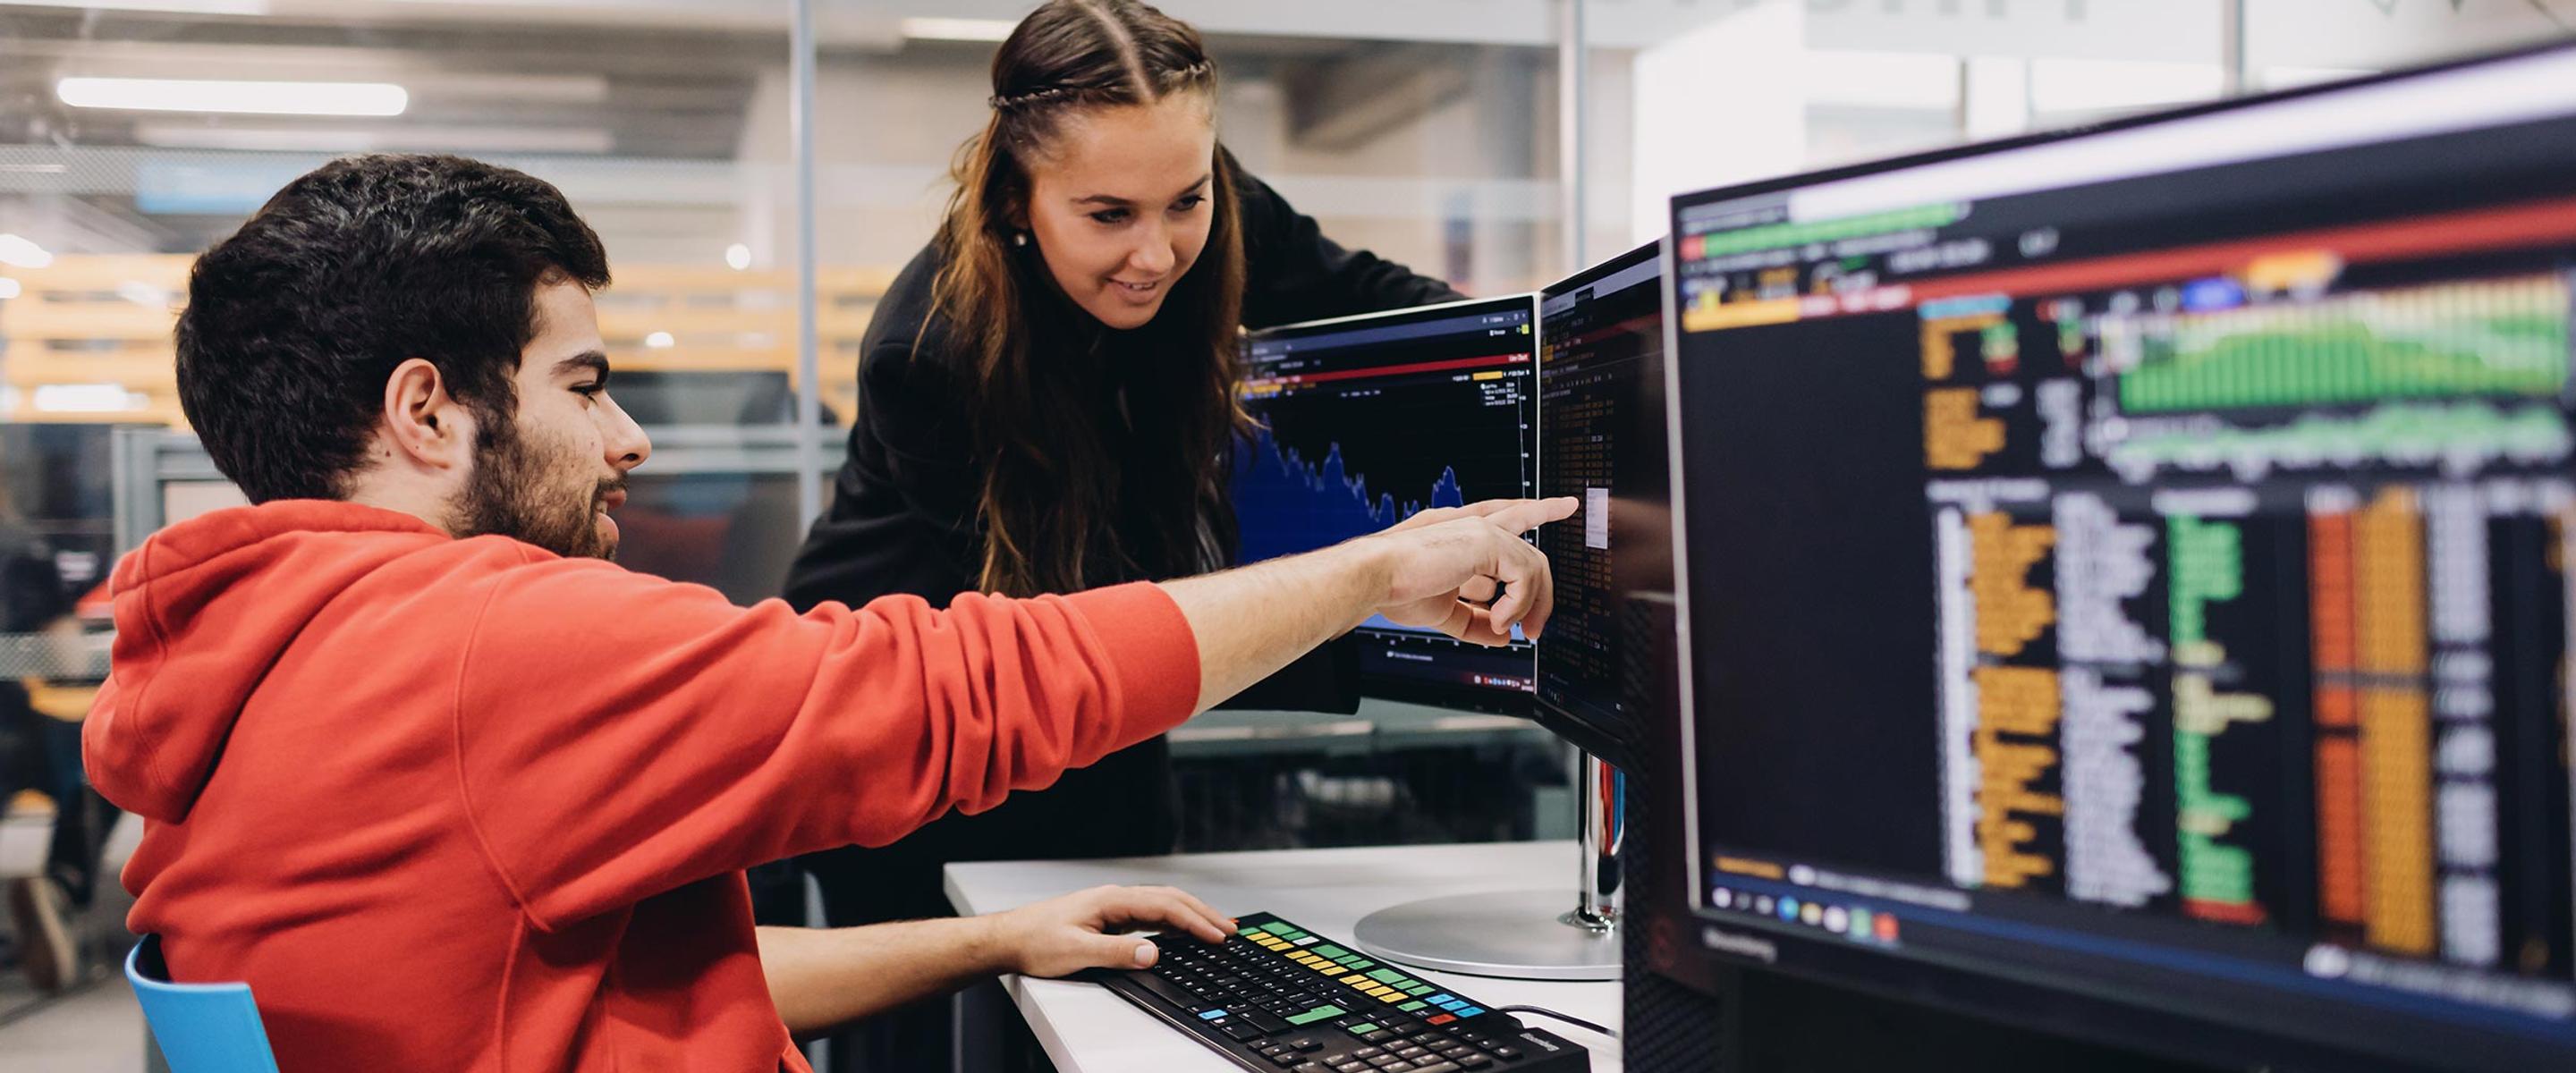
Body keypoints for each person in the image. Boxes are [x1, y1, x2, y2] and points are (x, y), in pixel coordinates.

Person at [81, 152, 1570, 1071]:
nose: (631, 445)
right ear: (428, 412)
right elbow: (965, 686)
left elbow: (573, 981)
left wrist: (986, 940)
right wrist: (1381, 568)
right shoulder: (473, 647)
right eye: (585, 389)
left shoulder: (249, 653)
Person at [777, 4, 1465, 1058]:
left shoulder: (1202, 199)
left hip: (1094, 714)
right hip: (914, 740)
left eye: (1184, 202)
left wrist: (1548, 362)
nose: (1158, 253)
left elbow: (1377, 300)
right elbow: (1079, 651)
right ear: (1017, 199)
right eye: (1108, 216)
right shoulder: (931, 353)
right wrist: (1364, 595)